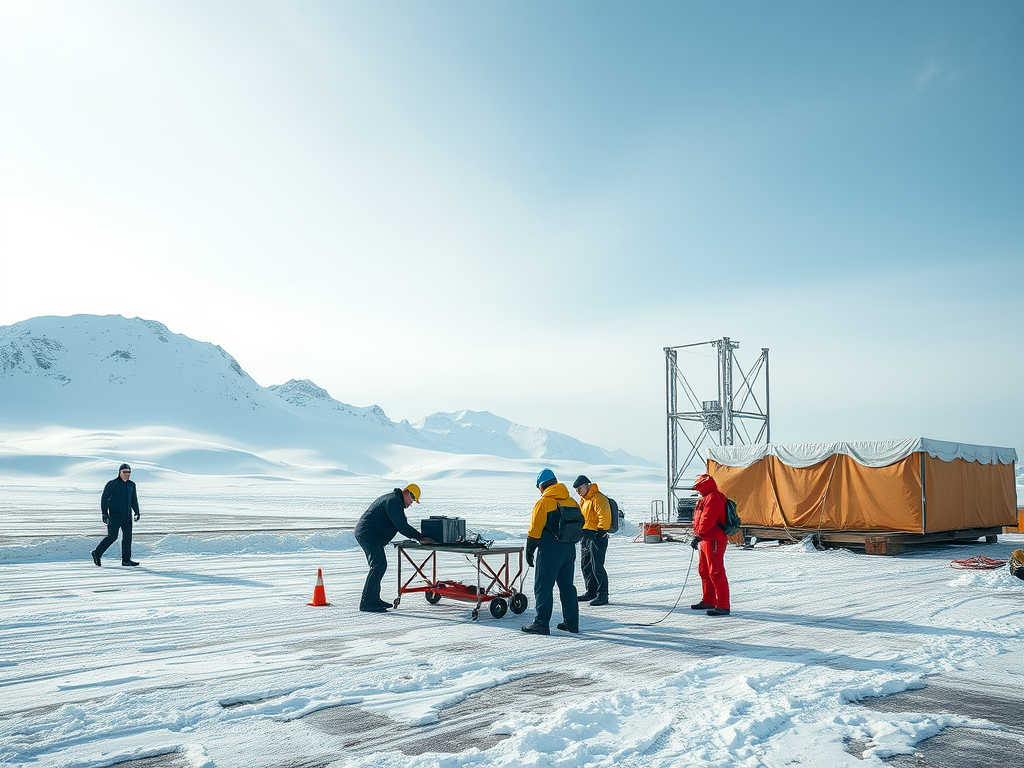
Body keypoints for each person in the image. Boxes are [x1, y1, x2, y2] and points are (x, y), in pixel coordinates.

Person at [353, 484, 432, 613]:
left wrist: (418, 536)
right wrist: (419, 537)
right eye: (412, 500)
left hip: (371, 535)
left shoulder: (394, 501)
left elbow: (401, 523)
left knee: (379, 565)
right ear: (408, 493)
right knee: (378, 565)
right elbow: (401, 525)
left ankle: (374, 599)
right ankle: (367, 602)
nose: (410, 503)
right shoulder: (394, 501)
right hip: (368, 534)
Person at [522, 468, 580, 635]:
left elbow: (535, 530)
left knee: (543, 586)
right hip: (569, 549)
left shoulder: (544, 502)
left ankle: (541, 623)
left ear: (542, 486)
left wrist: (530, 551)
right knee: (567, 586)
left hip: (550, 550)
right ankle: (571, 623)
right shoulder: (571, 500)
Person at [689, 473, 731, 616]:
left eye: (698, 486)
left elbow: (708, 519)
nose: (697, 490)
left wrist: (698, 535)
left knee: (716, 571)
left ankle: (723, 605)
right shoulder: (706, 498)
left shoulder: (713, 498)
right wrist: (698, 536)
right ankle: (709, 600)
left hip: (714, 539)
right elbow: (701, 519)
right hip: (706, 539)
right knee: (704, 570)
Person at [92, 463, 141, 567]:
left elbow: (133, 500)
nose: (127, 474)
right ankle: (97, 553)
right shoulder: (112, 484)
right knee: (112, 536)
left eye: (129, 472)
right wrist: (104, 513)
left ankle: (126, 560)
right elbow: (104, 499)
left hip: (127, 515)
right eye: (124, 472)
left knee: (127, 537)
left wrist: (137, 511)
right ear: (120, 472)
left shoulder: (131, 485)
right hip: (114, 515)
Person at [573, 475, 611, 606]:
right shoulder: (585, 500)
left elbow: (604, 515)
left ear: (585, 485)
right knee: (586, 565)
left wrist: (601, 531)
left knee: (597, 566)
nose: (578, 492)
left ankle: (603, 595)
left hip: (597, 536)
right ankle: (591, 591)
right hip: (586, 536)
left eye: (579, 489)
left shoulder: (598, 498)